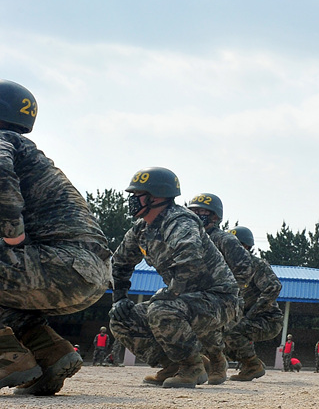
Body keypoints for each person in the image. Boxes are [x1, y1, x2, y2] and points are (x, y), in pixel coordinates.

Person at [0, 80, 111, 396]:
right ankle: (51, 352)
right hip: (86, 272)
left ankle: (7, 358)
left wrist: (12, 236)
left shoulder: (2, 141)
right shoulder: (25, 149)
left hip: (60, 262)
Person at [109, 167, 241, 389]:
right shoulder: (141, 229)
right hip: (184, 301)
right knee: (120, 318)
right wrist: (120, 298)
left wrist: (170, 293)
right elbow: (119, 263)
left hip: (220, 300)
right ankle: (173, 364)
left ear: (155, 197)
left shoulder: (180, 221)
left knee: (162, 309)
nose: (132, 200)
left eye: (137, 195)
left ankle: (192, 368)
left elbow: (189, 259)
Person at [184, 194, 266, 384]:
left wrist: (229, 292)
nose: (196, 214)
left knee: (211, 326)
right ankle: (190, 365)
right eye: (193, 210)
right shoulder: (188, 237)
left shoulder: (223, 240)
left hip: (220, 299)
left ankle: (217, 364)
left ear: (215, 216)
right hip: (192, 294)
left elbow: (245, 268)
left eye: (202, 211)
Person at [220, 226, 283, 381]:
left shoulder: (255, 265)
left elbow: (273, 287)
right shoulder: (223, 269)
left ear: (246, 247)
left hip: (267, 319)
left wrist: (250, 315)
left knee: (231, 331)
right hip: (242, 319)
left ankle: (252, 365)